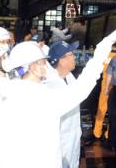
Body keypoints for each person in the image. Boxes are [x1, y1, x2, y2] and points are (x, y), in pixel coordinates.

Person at [0, 38, 112, 168]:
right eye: (43, 62)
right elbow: (80, 89)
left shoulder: (10, 96)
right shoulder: (39, 98)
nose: (46, 65)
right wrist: (99, 56)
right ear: (33, 67)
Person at [47, 40, 80, 168]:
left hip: (73, 134)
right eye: (71, 55)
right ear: (61, 60)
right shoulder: (51, 85)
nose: (74, 57)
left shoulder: (70, 76)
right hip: (60, 138)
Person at [92, 40, 116, 141]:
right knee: (113, 111)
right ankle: (108, 133)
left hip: (104, 85)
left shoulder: (106, 56)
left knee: (101, 109)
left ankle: (97, 132)